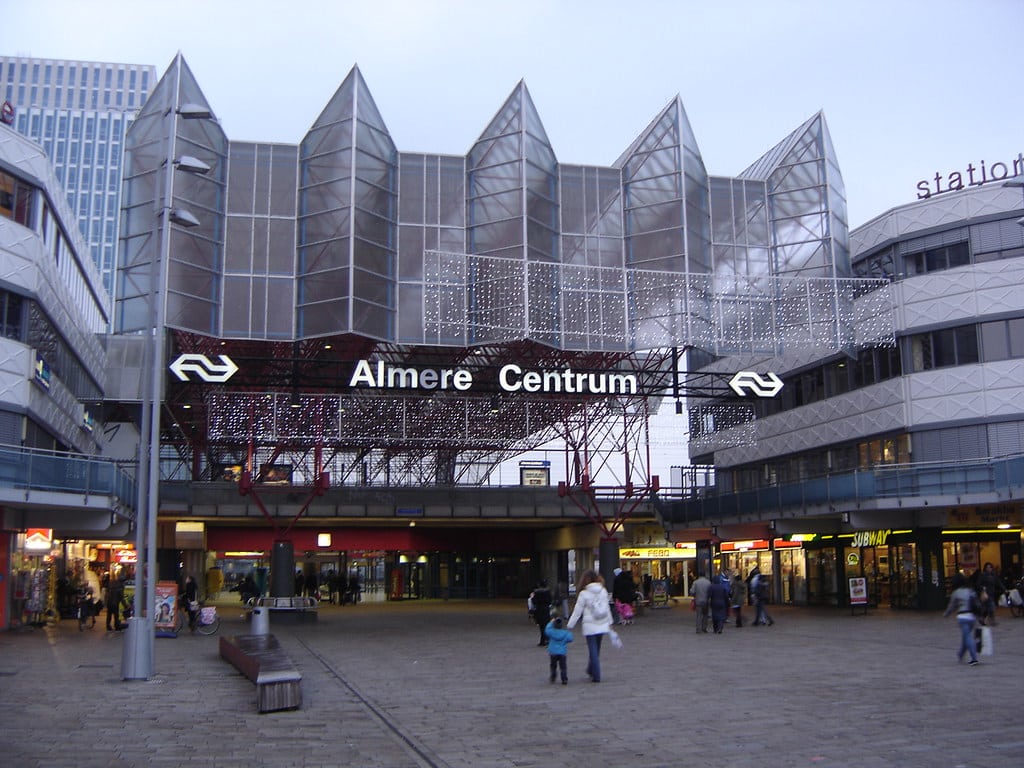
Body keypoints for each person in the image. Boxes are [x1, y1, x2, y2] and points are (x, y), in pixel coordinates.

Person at [567, 569, 612, 683]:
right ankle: (591, 669)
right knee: (597, 649)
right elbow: (607, 608)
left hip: (590, 626)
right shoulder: (603, 590)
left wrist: (570, 625)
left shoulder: (584, 593)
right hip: (602, 624)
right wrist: (609, 622)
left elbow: (578, 611)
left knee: (593, 650)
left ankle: (596, 675)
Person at [943, 572, 980, 665]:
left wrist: (946, 614)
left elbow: (951, 606)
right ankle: (960, 654)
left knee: (967, 637)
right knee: (966, 636)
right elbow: (977, 603)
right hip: (971, 616)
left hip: (962, 616)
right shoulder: (970, 590)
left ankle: (974, 657)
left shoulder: (956, 593)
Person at [544, 616, 573, 685]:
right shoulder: (565, 633)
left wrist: (550, 623)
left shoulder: (551, 632)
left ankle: (553, 676)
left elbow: (546, 630)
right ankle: (564, 678)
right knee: (563, 667)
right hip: (562, 653)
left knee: (553, 665)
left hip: (553, 652)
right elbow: (570, 638)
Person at [530, 579, 553, 646]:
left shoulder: (536, 592)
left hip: (539, 610)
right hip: (546, 609)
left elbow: (534, 601)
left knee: (541, 626)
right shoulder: (548, 592)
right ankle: (547, 639)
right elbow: (550, 601)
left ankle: (542, 640)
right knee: (546, 625)